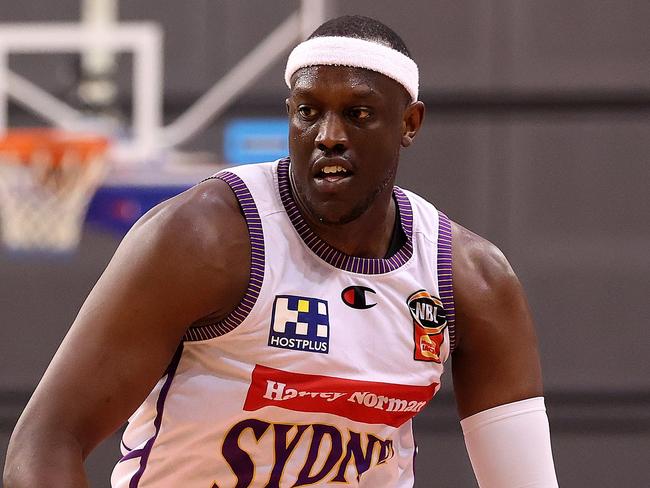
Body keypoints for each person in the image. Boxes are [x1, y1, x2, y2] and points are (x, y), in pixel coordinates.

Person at [3, 15, 558, 488]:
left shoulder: (470, 280)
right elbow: (43, 443)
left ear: (409, 123)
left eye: (358, 114)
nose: (328, 136)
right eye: (309, 112)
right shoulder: (205, 238)